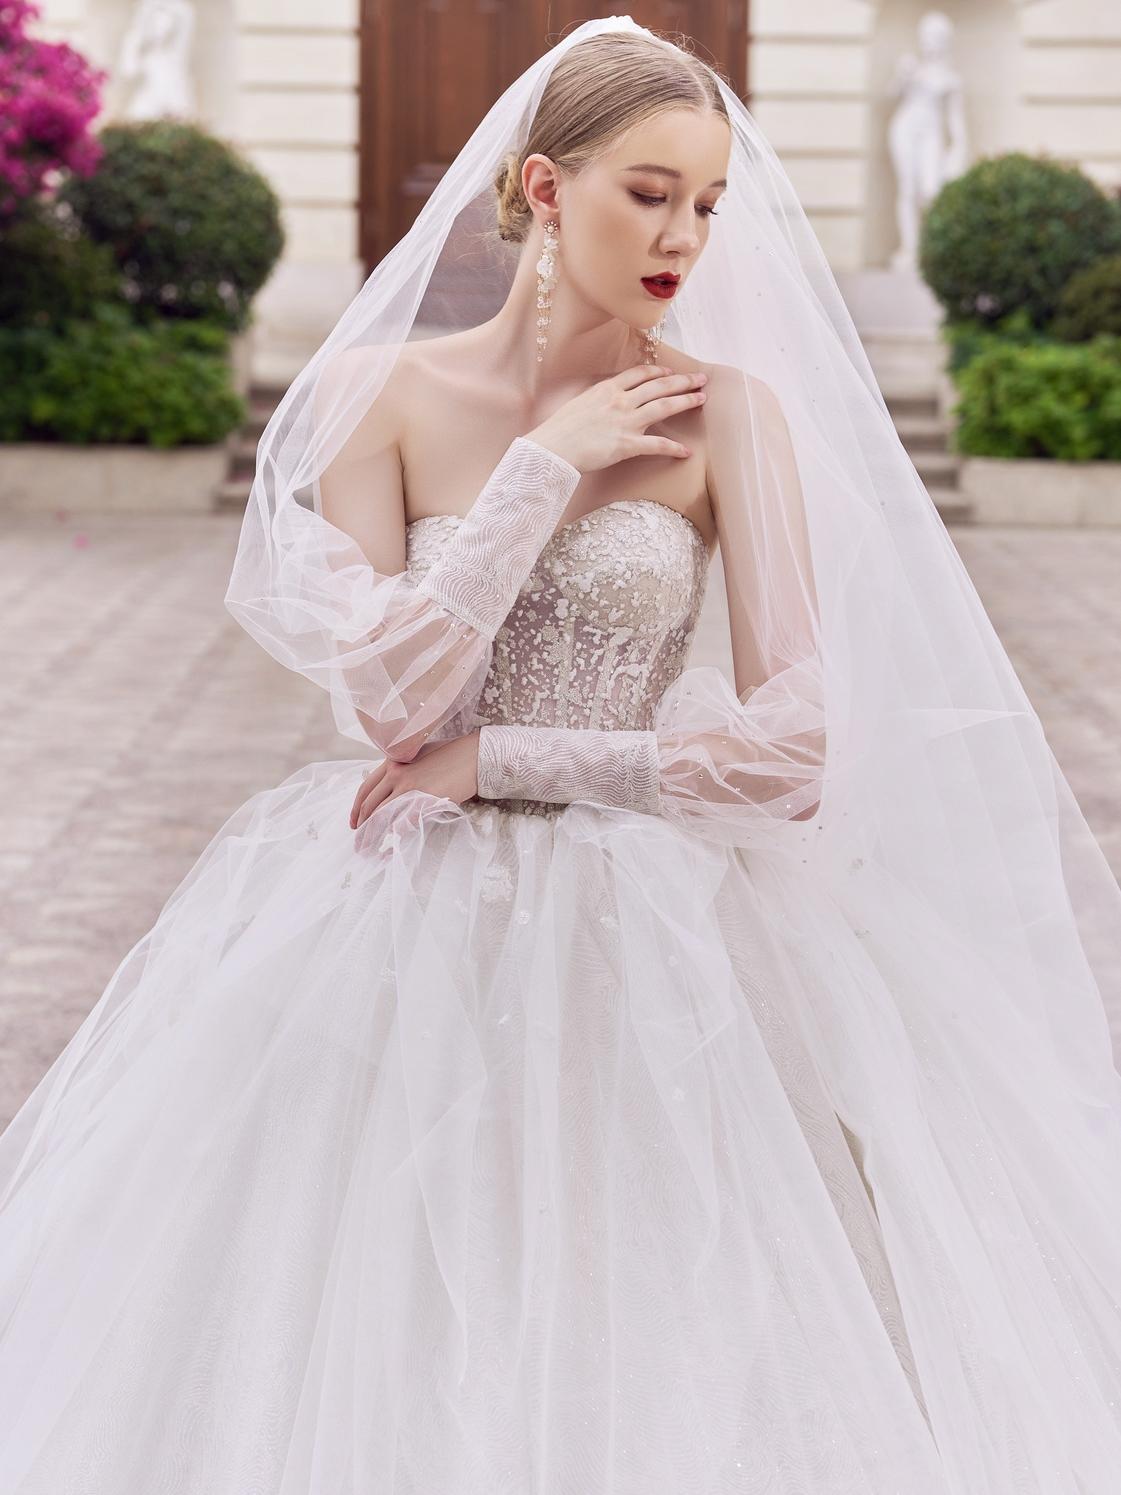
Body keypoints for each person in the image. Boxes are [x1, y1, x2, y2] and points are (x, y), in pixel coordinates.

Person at [3, 14, 1121, 1492]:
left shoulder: (731, 419)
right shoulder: (374, 396)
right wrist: (544, 466)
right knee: (382, 1310)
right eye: (647, 193)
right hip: (394, 929)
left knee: (635, 1307)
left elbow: (792, 751)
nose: (684, 238)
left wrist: (502, 762)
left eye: (707, 203)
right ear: (544, 186)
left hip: (649, 937)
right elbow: (396, 703)